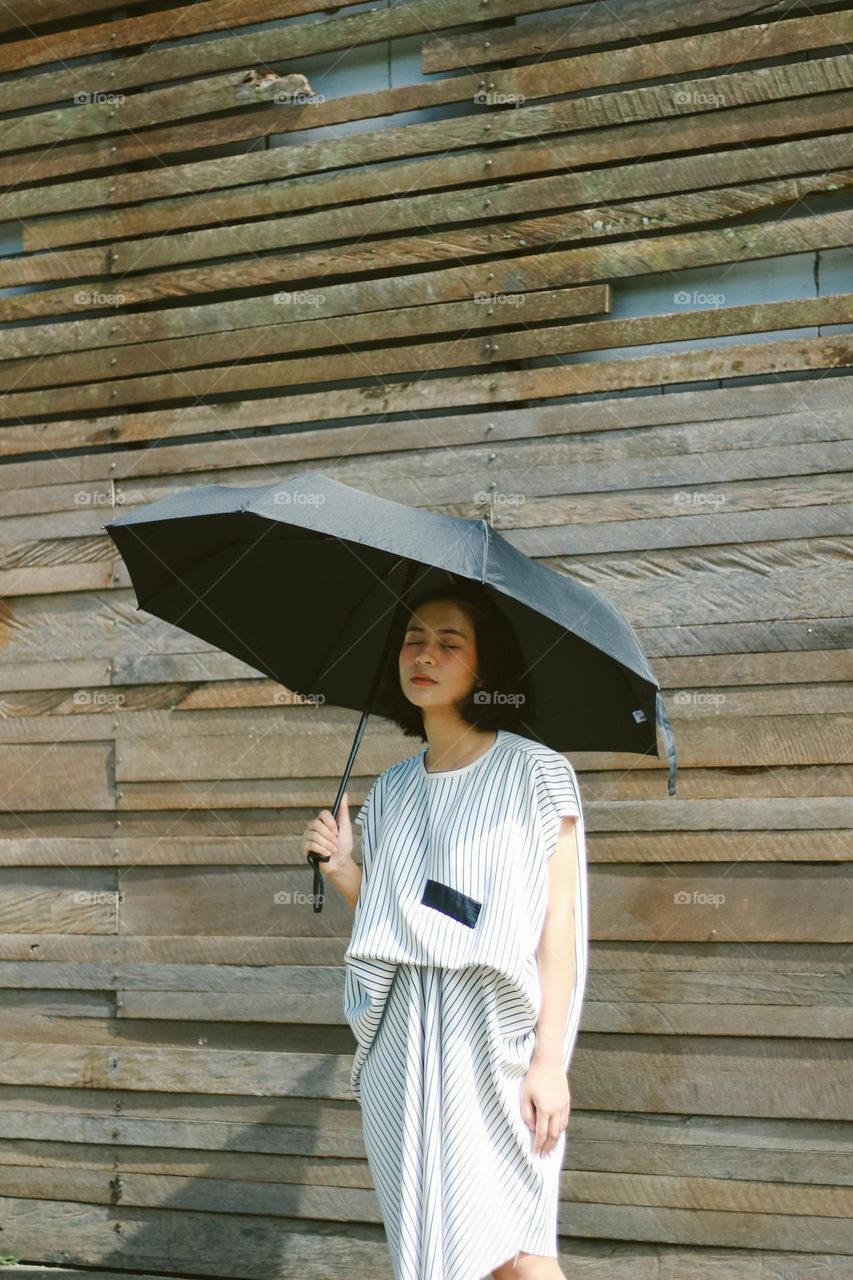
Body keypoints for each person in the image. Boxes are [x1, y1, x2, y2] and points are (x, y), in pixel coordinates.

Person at [302, 582, 589, 1280]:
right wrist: (344, 871)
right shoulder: (394, 789)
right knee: (433, 1245)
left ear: (483, 669)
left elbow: (559, 924)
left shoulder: (535, 772)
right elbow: (404, 923)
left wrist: (550, 1062)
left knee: (520, 1253)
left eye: (448, 643)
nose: (423, 654)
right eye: (412, 640)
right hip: (404, 1035)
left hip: (493, 1033)